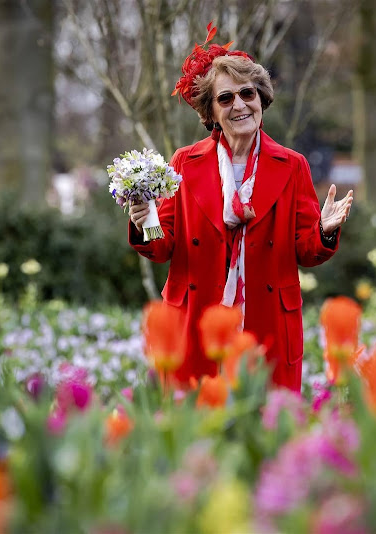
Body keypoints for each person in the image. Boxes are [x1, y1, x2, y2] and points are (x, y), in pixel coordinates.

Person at [127, 25, 352, 391]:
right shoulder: (185, 162)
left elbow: (306, 251)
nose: (240, 105)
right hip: (198, 318)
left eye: (247, 93)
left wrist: (324, 231)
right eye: (226, 98)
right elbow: (163, 245)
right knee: (198, 416)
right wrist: (145, 220)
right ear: (211, 112)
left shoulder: (292, 165)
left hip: (267, 321)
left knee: (264, 420)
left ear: (261, 98)